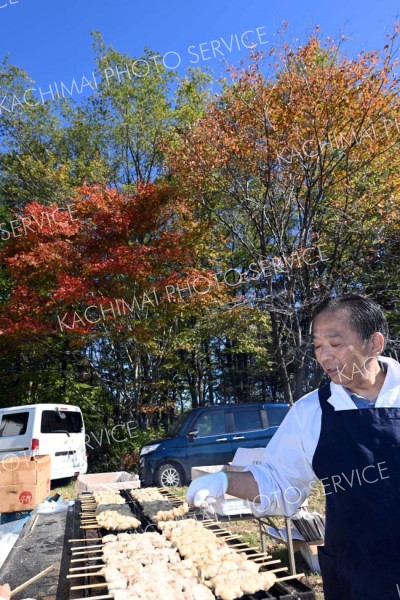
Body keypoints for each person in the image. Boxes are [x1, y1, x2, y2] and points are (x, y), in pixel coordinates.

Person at [186, 294, 400, 600]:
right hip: (355, 575)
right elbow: (280, 483)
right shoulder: (310, 412)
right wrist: (225, 481)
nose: (324, 356)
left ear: (374, 343)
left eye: (335, 344)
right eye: (317, 346)